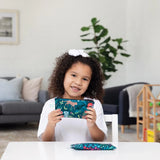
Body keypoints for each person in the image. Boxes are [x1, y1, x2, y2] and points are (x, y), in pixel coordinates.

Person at [37, 49, 107, 141]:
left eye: (85, 79)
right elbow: (45, 141)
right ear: (62, 75)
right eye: (73, 75)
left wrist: (92, 124)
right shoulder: (50, 105)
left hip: (87, 155)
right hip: (59, 154)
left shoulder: (94, 105)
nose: (78, 82)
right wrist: (51, 124)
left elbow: (100, 139)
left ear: (91, 82)